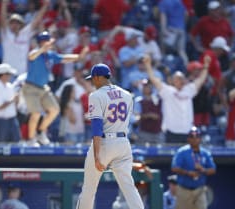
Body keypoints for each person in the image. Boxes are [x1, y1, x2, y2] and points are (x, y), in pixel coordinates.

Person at [76, 63, 144, 209]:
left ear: (100, 77)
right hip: (123, 142)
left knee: (89, 188)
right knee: (129, 187)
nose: (93, 82)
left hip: (106, 142)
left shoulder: (96, 95)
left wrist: (96, 155)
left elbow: (96, 128)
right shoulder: (127, 95)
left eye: (93, 78)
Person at [22, 31, 88, 145]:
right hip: (31, 87)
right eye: (44, 42)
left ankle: (40, 132)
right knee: (36, 113)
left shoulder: (51, 55)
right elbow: (31, 56)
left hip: (43, 88)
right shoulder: (35, 52)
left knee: (54, 110)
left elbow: (64, 58)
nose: (47, 44)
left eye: (48, 41)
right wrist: (42, 49)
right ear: (39, 43)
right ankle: (31, 139)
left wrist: (78, 57)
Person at [143, 54, 210, 143]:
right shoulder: (167, 91)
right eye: (178, 79)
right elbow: (154, 79)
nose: (180, 81)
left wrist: (206, 66)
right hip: (171, 132)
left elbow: (201, 80)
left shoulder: (189, 90)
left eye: (182, 79)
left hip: (187, 132)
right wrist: (148, 65)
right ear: (173, 81)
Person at [171, 126, 216, 209]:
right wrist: (188, 173)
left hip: (200, 190)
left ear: (200, 139)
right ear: (188, 139)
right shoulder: (182, 152)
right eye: (192, 136)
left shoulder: (205, 153)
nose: (194, 139)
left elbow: (213, 169)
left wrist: (203, 170)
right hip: (184, 190)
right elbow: (174, 168)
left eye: (197, 136)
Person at [0, 63, 21, 144]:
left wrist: (16, 100)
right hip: (0, 121)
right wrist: (13, 99)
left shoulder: (10, 86)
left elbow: (14, 104)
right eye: (8, 74)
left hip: (12, 119)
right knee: (1, 145)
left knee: (16, 143)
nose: (10, 76)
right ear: (3, 75)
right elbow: (0, 107)